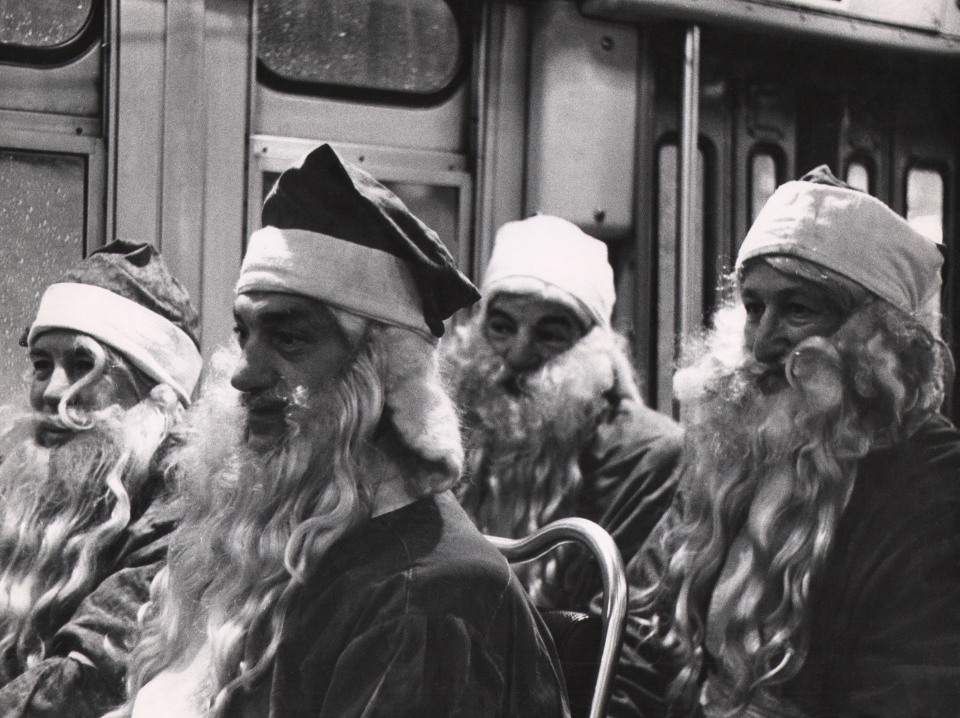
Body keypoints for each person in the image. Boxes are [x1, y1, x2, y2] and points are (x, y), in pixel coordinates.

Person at [122, 144, 570, 718]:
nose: (243, 375)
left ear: (379, 369)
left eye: (288, 339)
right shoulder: (276, 544)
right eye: (244, 334)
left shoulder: (424, 597)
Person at [610, 166, 960, 717]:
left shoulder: (935, 490)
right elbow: (639, 637)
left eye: (798, 310)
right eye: (754, 308)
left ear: (879, 340)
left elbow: (912, 689)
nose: (765, 342)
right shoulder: (732, 454)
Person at [0, 241, 202, 717]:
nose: (52, 393)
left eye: (82, 366)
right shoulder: (21, 494)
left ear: (152, 396)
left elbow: (79, 682)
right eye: (42, 365)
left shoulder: (182, 514)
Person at [442, 214, 683, 611]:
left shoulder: (645, 453)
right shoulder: (449, 437)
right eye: (501, 328)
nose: (518, 357)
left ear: (593, 348)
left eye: (550, 334)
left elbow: (628, 635)